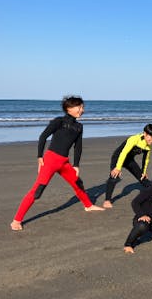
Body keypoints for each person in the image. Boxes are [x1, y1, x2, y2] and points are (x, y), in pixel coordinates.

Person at [10, 96, 104, 231]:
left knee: (78, 183)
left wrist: (76, 165)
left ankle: (88, 205)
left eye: (83, 107)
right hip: (50, 160)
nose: (82, 110)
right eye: (79, 107)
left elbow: (78, 146)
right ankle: (16, 220)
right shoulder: (58, 121)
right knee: (38, 191)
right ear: (69, 109)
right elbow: (43, 137)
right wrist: (39, 157)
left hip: (65, 163)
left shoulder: (79, 127)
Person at [103, 124, 152, 209]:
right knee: (114, 176)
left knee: (143, 178)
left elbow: (146, 160)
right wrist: (118, 167)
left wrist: (144, 172)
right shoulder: (134, 139)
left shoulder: (148, 145)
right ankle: (107, 200)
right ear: (145, 134)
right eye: (151, 137)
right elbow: (124, 153)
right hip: (118, 157)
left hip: (129, 160)